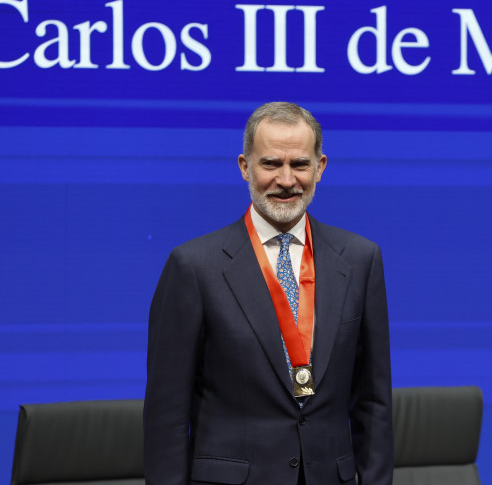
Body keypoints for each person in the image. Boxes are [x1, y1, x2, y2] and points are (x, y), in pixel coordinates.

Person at [144, 102, 393, 485]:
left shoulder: (361, 259)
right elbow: (167, 413)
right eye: (271, 163)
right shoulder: (193, 266)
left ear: (320, 168)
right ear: (245, 166)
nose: (286, 179)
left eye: (300, 164)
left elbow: (374, 403)